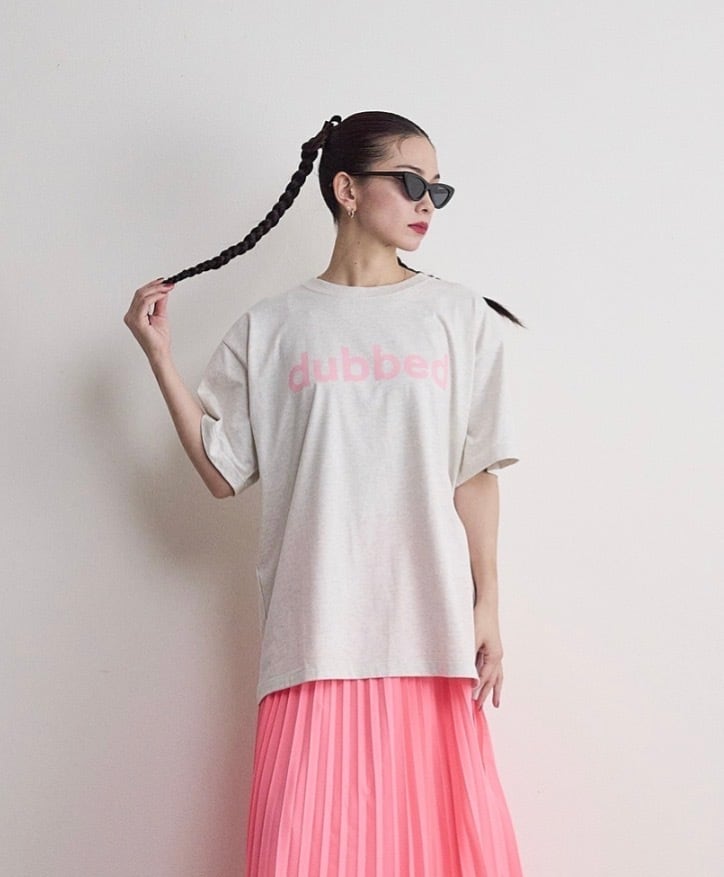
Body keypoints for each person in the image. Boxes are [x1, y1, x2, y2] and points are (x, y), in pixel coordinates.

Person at [124, 111, 526, 876]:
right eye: (409, 182)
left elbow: (475, 473)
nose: (427, 202)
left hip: (428, 622)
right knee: (309, 850)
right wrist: (160, 358)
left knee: (436, 847)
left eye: (437, 188)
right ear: (345, 188)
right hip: (313, 629)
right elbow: (220, 470)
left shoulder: (457, 316)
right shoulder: (273, 327)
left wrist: (488, 604)